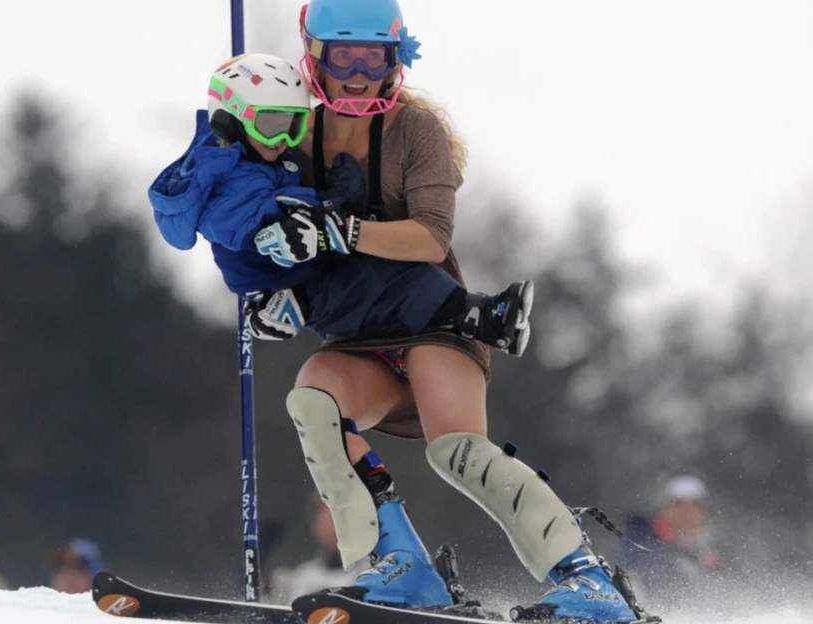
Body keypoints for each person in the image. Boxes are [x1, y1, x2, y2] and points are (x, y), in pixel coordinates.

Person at [245, 1, 658, 622]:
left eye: (374, 56)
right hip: (355, 336)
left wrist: (338, 231)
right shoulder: (297, 133)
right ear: (315, 56)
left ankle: (588, 581)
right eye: (343, 55)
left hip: (433, 322)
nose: (358, 71)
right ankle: (402, 569)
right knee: (314, 404)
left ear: (395, 59)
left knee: (457, 451)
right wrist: (274, 294)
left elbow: (428, 239)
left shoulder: (414, 132)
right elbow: (258, 225)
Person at [149, 53, 534, 355]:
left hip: (303, 264)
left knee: (387, 267)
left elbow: (291, 207)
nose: (283, 138)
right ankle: (478, 317)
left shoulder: (251, 158)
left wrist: (333, 207)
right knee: (380, 281)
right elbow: (262, 219)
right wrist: (332, 203)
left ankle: (478, 316)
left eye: (293, 125)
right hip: (282, 278)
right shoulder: (220, 182)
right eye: (270, 125)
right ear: (231, 120)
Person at [616, 474, 723, 608]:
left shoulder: (715, 549)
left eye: (695, 505)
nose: (687, 512)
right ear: (664, 508)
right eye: (679, 504)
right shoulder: (639, 543)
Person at [269, 493, 366, 602]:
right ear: (316, 525)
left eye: (342, 518)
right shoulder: (303, 578)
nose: (335, 527)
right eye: (329, 519)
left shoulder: (375, 574)